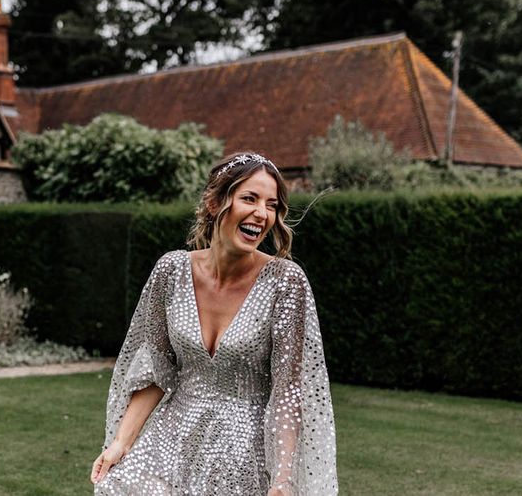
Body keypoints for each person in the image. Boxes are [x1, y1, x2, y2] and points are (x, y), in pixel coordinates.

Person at [90, 152, 338, 495]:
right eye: (249, 198)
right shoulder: (171, 271)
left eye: (271, 204)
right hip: (171, 442)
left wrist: (282, 480)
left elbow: (288, 394)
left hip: (243, 458)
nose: (261, 214)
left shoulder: (285, 282)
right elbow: (156, 369)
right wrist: (120, 443)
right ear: (215, 202)